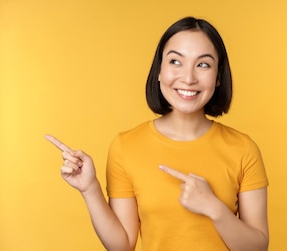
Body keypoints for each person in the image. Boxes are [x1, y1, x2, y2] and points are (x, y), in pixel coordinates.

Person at [45, 16, 269, 251]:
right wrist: (90, 189)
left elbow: (258, 248)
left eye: (203, 64)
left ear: (219, 77)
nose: (189, 78)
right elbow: (122, 246)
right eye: (175, 62)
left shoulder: (243, 149)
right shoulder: (126, 146)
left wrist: (214, 208)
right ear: (159, 71)